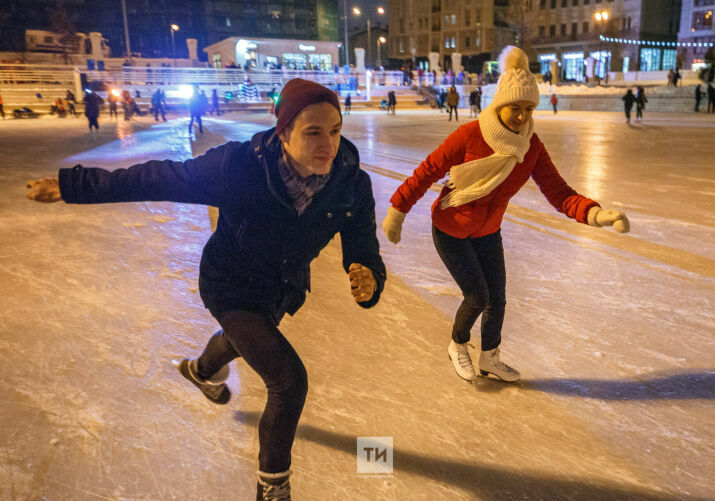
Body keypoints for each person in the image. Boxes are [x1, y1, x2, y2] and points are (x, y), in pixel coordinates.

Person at [25, 78, 387, 501]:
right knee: (288, 381)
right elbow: (160, 178)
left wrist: (369, 275)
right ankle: (273, 488)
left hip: (280, 290)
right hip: (229, 285)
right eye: (313, 132)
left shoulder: (350, 183)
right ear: (283, 133)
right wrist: (74, 186)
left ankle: (199, 371)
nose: (329, 144)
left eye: (335, 130)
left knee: (244, 341)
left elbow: (363, 242)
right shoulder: (238, 166)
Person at [381, 47, 629, 384]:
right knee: (477, 296)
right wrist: (398, 210)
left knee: (497, 299)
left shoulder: (531, 147)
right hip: (451, 229)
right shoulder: (469, 136)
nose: (522, 117)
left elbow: (559, 193)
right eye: (515, 108)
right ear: (500, 104)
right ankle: (458, 345)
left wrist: (595, 214)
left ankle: (490, 358)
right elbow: (427, 171)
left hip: (488, 231)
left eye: (529, 109)